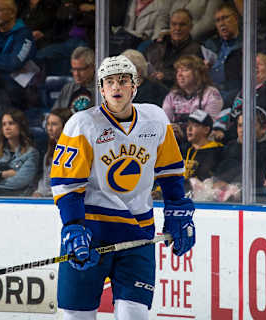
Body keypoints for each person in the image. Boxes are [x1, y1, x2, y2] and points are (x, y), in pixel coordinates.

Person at [50, 55, 195, 319]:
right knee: (76, 316)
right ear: (101, 89)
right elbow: (66, 184)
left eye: (123, 81)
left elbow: (171, 171)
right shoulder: (82, 124)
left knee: (134, 316)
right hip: (91, 234)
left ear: (134, 85)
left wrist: (177, 210)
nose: (117, 87)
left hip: (137, 235)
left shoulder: (155, 118)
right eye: (110, 82)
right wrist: (73, 226)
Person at [0, 0, 37, 108]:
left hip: (17, 88)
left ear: (12, 13)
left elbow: (14, 63)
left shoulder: (24, 34)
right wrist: (4, 61)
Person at [213, 108, 266, 200]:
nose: (242, 130)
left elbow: (259, 178)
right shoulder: (231, 146)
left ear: (263, 128)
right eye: (240, 125)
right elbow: (219, 172)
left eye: (249, 125)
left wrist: (230, 186)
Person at [212, 53, 266, 143]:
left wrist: (228, 133)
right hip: (236, 133)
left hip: (256, 136)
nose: (255, 66)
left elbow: (262, 115)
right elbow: (228, 112)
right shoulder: (241, 92)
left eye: (260, 64)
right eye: (253, 64)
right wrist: (219, 128)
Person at [162, 54, 223, 142]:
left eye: (185, 70)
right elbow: (165, 121)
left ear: (198, 73)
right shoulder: (172, 95)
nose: (179, 74)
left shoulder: (211, 93)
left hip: (201, 142)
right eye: (178, 71)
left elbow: (209, 126)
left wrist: (184, 132)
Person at [146, 8, 202, 88]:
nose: (177, 28)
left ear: (190, 27)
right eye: (174, 24)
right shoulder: (159, 44)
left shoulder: (196, 50)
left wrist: (165, 76)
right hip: (151, 86)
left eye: (182, 25)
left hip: (174, 89)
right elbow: (147, 64)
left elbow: (192, 77)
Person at [202, 3, 243, 107]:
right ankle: (167, 124)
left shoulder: (246, 43)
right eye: (218, 20)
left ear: (235, 18)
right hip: (210, 93)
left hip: (234, 95)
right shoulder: (210, 45)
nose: (221, 23)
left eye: (225, 18)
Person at [32, 108, 72, 198]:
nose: (49, 128)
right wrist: (39, 192)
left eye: (54, 124)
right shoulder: (50, 152)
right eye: (48, 124)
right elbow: (45, 179)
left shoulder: (74, 152)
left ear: (65, 126)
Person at [181, 109, 223, 185]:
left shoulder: (216, 151)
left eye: (195, 125)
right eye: (188, 125)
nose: (189, 129)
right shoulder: (184, 149)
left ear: (206, 130)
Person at [52, 46, 95, 113]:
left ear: (92, 67)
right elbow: (55, 115)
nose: (76, 74)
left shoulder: (102, 89)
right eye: (73, 69)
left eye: (80, 69)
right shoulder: (68, 88)